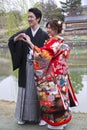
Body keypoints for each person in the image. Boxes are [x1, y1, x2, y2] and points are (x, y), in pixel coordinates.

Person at [19, 19, 78, 129]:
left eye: (50, 28)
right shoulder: (59, 41)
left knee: (55, 99)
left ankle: (57, 123)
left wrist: (30, 43)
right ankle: (63, 121)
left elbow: (43, 56)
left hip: (54, 75)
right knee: (61, 97)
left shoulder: (54, 42)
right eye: (48, 27)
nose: (48, 30)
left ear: (56, 29)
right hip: (61, 74)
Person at [8, 8, 49, 125]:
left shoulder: (44, 35)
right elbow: (10, 42)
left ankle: (41, 117)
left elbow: (47, 54)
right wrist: (17, 38)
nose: (29, 19)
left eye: (31, 17)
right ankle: (22, 116)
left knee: (38, 91)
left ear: (38, 19)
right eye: (28, 17)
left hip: (39, 68)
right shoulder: (24, 32)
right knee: (25, 91)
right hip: (25, 67)